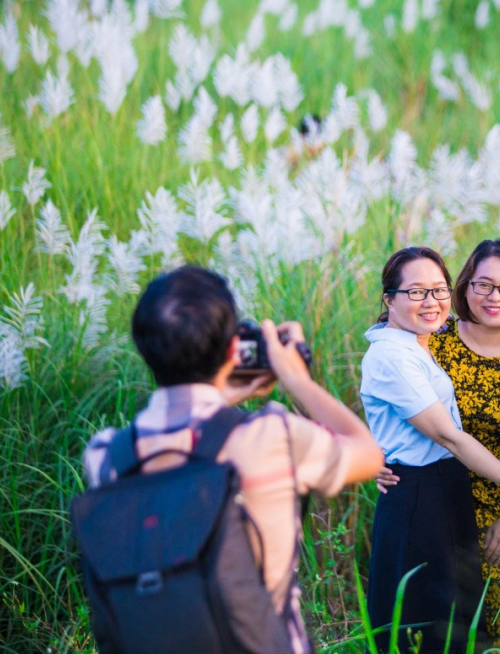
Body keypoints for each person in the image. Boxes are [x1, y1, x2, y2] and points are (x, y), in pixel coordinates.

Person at [82, 265, 385, 654]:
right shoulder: (272, 436)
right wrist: (297, 380)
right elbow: (368, 453)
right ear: (231, 349)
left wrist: (218, 400)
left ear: (144, 349)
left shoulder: (107, 456)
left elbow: (183, 446)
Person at [361, 246, 500, 654]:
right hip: (441, 499)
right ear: (466, 286)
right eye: (484, 284)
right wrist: (376, 457)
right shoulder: (435, 339)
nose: (495, 296)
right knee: (441, 625)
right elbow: (388, 404)